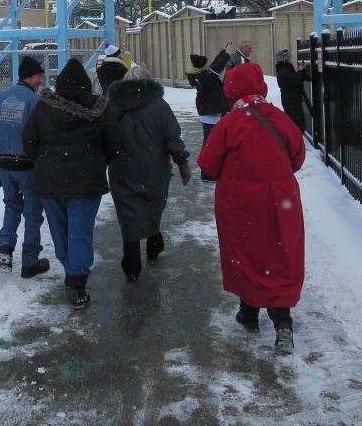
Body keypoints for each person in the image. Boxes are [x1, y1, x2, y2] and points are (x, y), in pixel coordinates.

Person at [197, 62, 306, 351]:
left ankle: (248, 313)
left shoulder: (229, 123)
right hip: (281, 198)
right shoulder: (280, 118)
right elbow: (297, 157)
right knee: (280, 254)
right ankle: (282, 321)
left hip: (240, 201)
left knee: (245, 254)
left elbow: (208, 165)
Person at [22, 58, 124, 309]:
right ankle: (76, 279)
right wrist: (97, 162)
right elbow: (115, 144)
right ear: (86, 85)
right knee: (80, 229)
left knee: (59, 229)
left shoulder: (43, 107)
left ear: (60, 85)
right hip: (87, 182)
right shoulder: (100, 109)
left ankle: (70, 266)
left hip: (50, 180)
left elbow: (29, 142)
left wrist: (45, 161)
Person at [106, 66, 190, 281]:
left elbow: (103, 135)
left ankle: (131, 263)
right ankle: (154, 244)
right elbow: (172, 135)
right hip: (154, 166)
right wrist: (181, 162)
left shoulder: (113, 105)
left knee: (127, 210)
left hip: (121, 166)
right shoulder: (159, 105)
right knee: (153, 204)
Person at [0, 56, 51, 279]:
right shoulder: (34, 101)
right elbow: (43, 135)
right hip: (28, 165)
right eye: (39, 76)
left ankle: (5, 250)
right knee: (33, 212)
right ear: (28, 76)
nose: (41, 81)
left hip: (4, 165)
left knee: (11, 206)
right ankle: (30, 262)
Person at [185, 43, 234, 183]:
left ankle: (211, 171)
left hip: (213, 111)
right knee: (210, 143)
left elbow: (213, 65)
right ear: (202, 66)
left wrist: (222, 52)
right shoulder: (202, 78)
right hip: (209, 113)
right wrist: (227, 54)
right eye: (206, 63)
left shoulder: (201, 74)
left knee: (213, 142)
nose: (209, 64)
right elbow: (216, 69)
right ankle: (206, 173)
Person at [274, 49, 310, 133]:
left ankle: (295, 139)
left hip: (291, 100)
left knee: (296, 124)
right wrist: (300, 70)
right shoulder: (284, 71)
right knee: (298, 125)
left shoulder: (285, 69)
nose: (290, 59)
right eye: (288, 57)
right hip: (291, 101)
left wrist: (302, 71)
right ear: (284, 59)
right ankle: (296, 140)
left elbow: (297, 79)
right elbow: (296, 81)